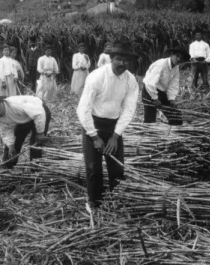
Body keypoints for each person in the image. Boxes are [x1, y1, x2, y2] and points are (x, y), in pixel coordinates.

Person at [77, 42, 139, 208]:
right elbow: (83, 109)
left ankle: (116, 202)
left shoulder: (130, 80)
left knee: (117, 169)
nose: (122, 63)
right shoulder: (96, 77)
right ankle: (95, 204)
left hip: (113, 128)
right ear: (111, 59)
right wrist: (94, 136)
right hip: (93, 126)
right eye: (118, 59)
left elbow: (128, 109)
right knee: (94, 169)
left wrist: (115, 136)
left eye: (126, 60)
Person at [0, 92, 51, 169]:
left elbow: (39, 113)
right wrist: (11, 146)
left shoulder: (15, 105)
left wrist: (40, 132)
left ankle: (36, 169)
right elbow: (5, 131)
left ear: (1, 101)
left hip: (40, 112)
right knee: (12, 145)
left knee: (35, 143)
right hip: (23, 118)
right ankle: (7, 168)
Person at [142, 47, 190, 125]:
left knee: (175, 115)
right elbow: (149, 83)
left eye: (181, 58)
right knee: (150, 119)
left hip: (161, 92)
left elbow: (173, 85)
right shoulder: (160, 64)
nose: (178, 59)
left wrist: (171, 99)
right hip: (149, 91)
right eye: (177, 56)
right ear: (172, 55)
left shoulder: (176, 68)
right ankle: (148, 134)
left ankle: (173, 133)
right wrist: (154, 98)